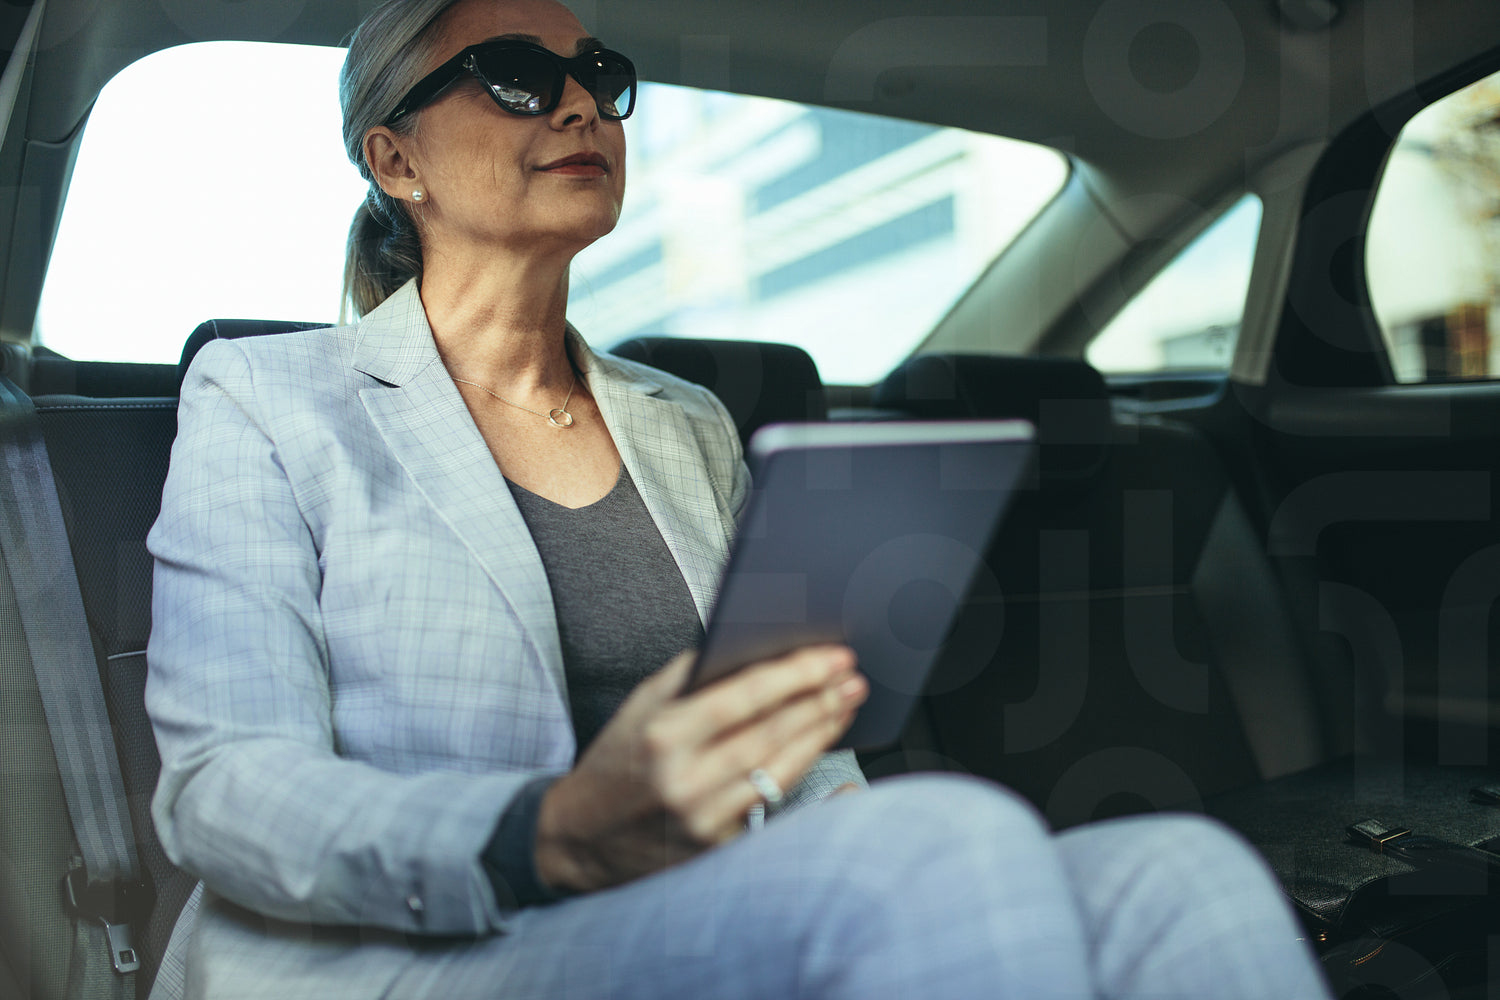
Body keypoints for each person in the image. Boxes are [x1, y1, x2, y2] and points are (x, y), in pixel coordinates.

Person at [144, 0, 1333, 997]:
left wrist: (853, 845)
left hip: (685, 909)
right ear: (395, 159)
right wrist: (547, 833)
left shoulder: (688, 420)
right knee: (949, 840)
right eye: (515, 77)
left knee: (1188, 875)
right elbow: (223, 790)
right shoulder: (264, 396)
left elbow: (795, 739)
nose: (580, 105)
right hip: (411, 955)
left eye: (598, 76)